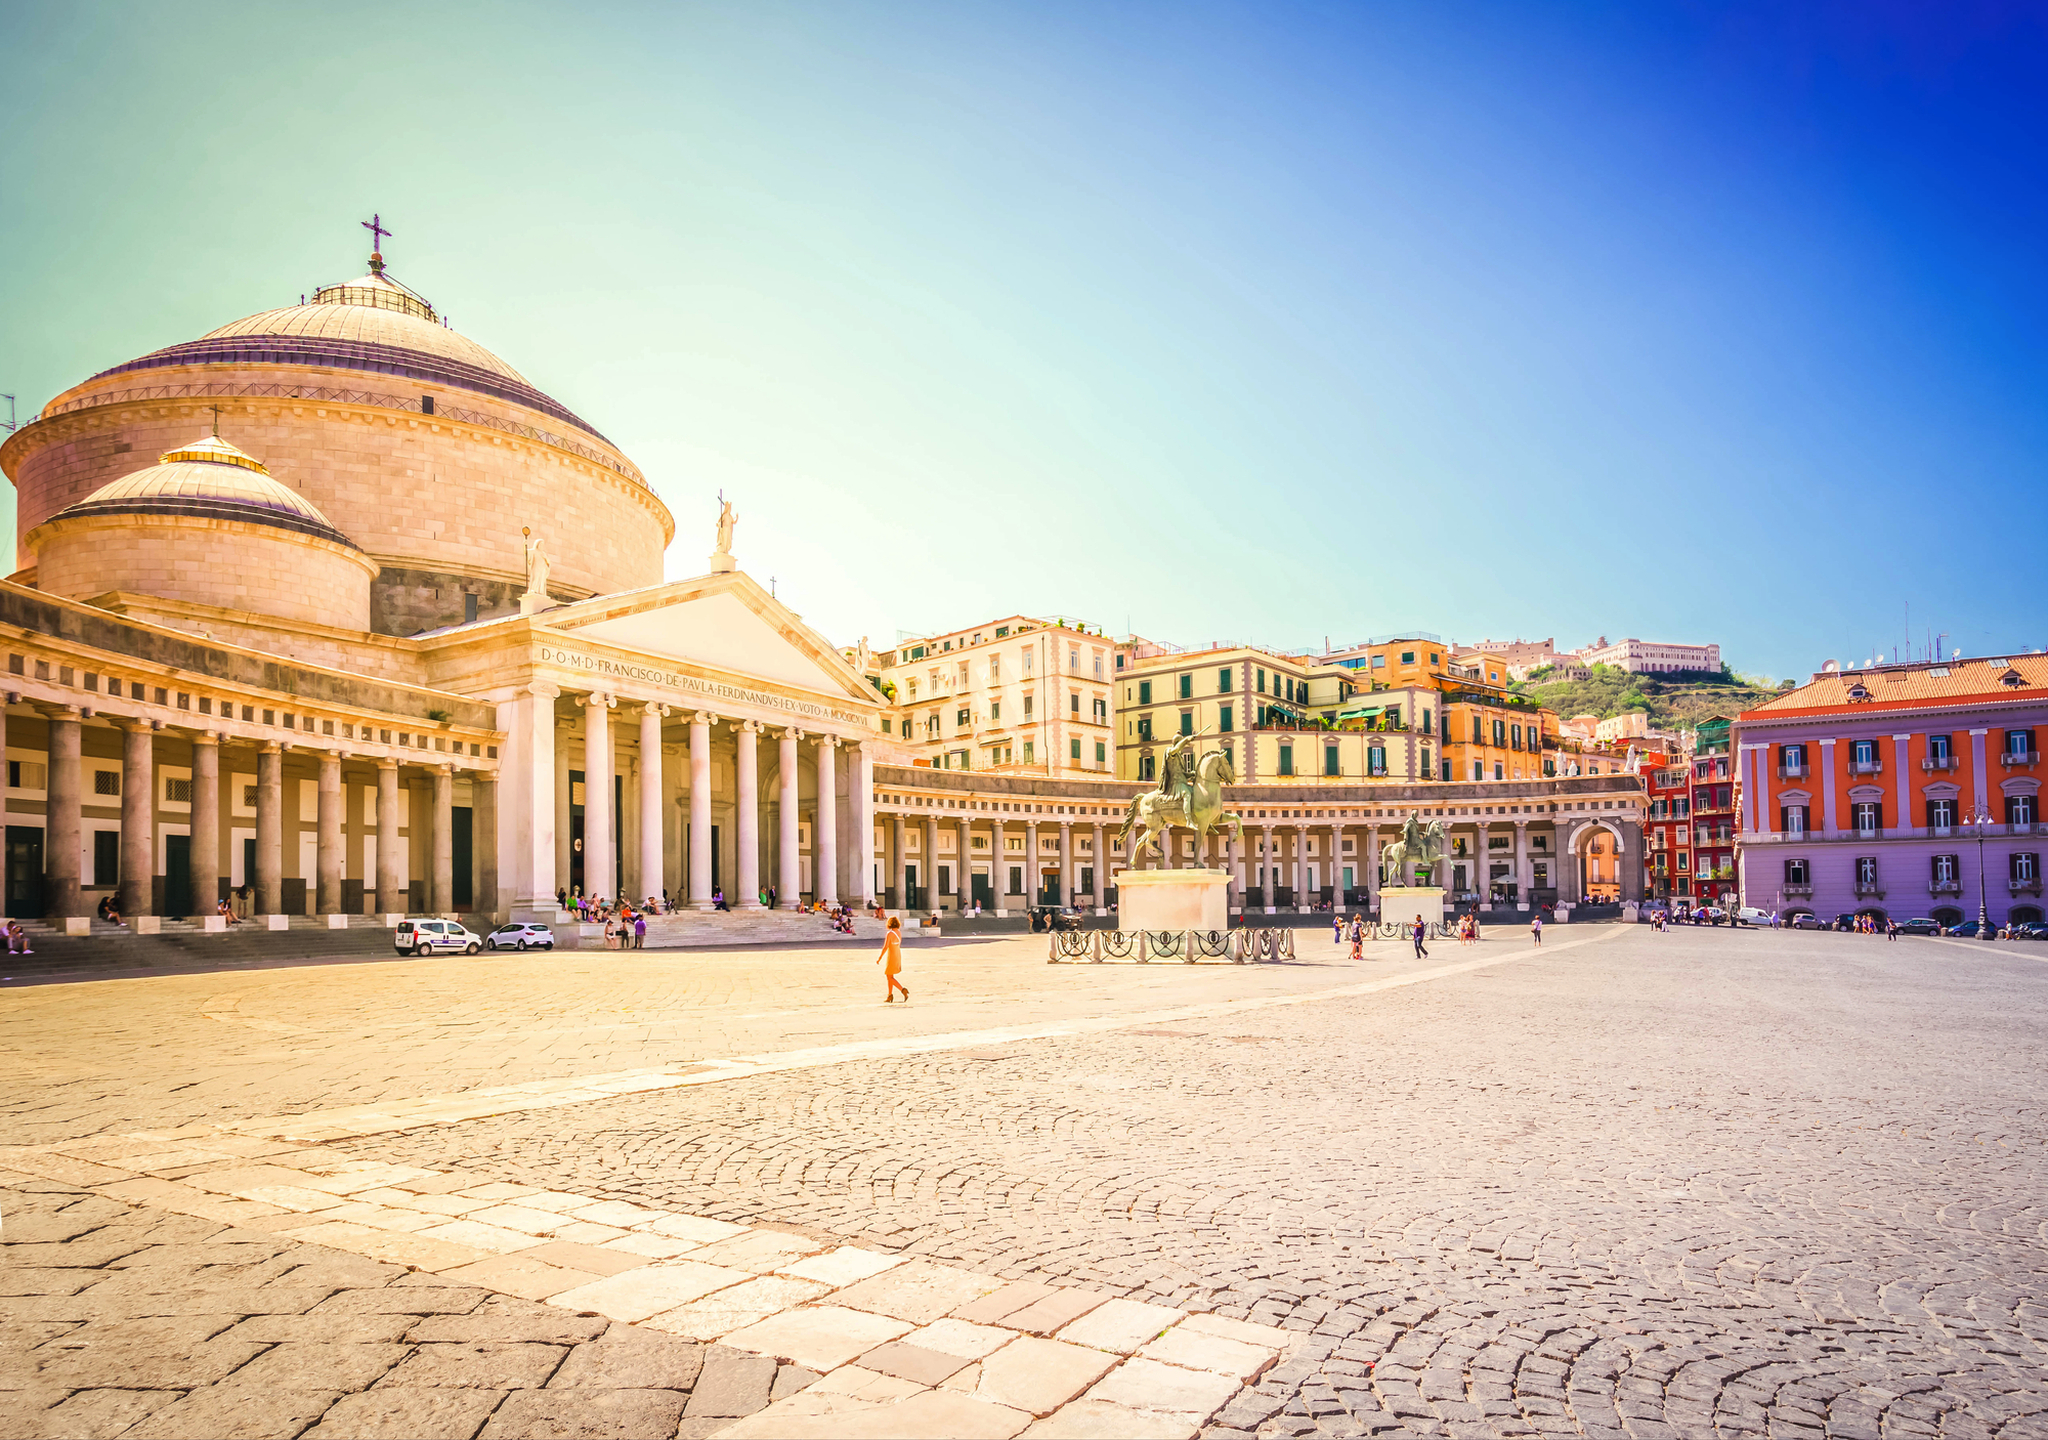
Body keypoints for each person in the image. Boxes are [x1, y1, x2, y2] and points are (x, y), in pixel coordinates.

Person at [877, 916, 909, 1003]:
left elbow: (886, 946)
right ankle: (890, 995)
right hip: (897, 954)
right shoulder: (898, 932)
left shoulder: (890, 933)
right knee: (890, 976)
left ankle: (902, 990)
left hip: (891, 955)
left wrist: (880, 957)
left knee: (889, 976)